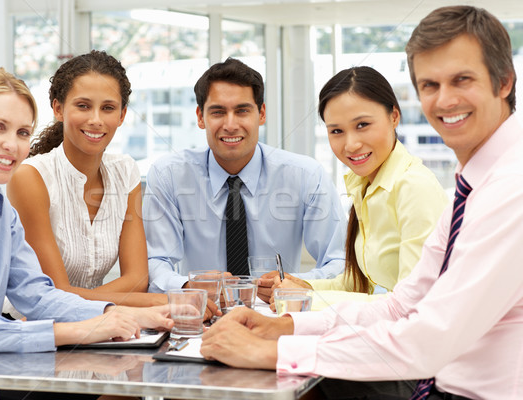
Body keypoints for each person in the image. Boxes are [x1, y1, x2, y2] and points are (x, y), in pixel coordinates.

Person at [201, 6, 522, 399]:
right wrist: (287, 327)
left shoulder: (510, 189)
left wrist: (275, 350)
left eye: (462, 80)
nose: (444, 100)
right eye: (429, 85)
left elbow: (425, 336)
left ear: (504, 81)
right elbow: (398, 306)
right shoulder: (470, 187)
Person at [0, 67, 173, 400]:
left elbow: (38, 295)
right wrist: (80, 329)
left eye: (23, 132)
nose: (11, 144)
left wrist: (119, 313)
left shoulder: (0, 212)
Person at [143, 58, 347, 299]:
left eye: (242, 111)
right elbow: (155, 262)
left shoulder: (306, 175)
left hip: (277, 314)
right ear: (200, 117)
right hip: (202, 314)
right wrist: (190, 287)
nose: (230, 125)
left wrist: (292, 283)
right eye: (218, 112)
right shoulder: (169, 176)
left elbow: (340, 263)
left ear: (261, 114)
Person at [272, 66, 447, 310]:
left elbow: (411, 303)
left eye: (362, 125)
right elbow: (358, 284)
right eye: (336, 131)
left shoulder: (413, 187)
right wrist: (300, 286)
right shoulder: (365, 185)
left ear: (394, 116)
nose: (351, 144)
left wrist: (307, 300)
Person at [6, 51, 166, 309]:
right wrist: (157, 302)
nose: (96, 120)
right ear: (58, 109)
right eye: (83, 106)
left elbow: (137, 279)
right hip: (34, 326)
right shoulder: (31, 177)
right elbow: (55, 293)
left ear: (122, 115)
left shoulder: (125, 171)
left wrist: (140, 301)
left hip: (102, 325)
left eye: (108, 108)